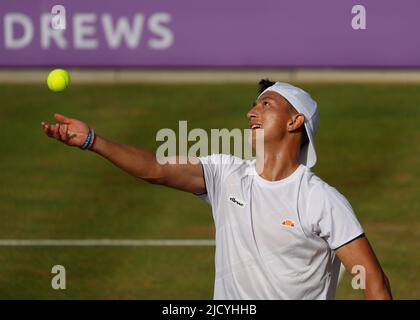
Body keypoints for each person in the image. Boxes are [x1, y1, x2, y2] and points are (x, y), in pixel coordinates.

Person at [41, 80, 392, 300]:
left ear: (295, 121)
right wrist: (92, 141)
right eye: (254, 104)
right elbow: (155, 169)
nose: (251, 112)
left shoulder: (321, 200)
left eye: (266, 104)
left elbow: (372, 282)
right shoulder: (227, 174)